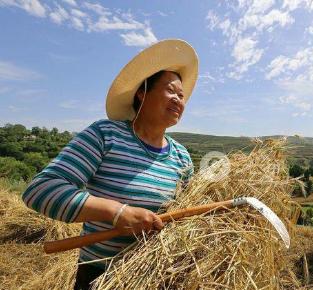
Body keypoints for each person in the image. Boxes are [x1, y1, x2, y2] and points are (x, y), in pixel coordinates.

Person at [21, 39, 199, 289]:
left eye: (182, 96)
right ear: (142, 92)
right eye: (171, 91)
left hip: (156, 277)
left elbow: (186, 218)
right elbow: (41, 190)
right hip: (101, 275)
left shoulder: (182, 157)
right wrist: (117, 213)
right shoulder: (106, 135)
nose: (179, 100)